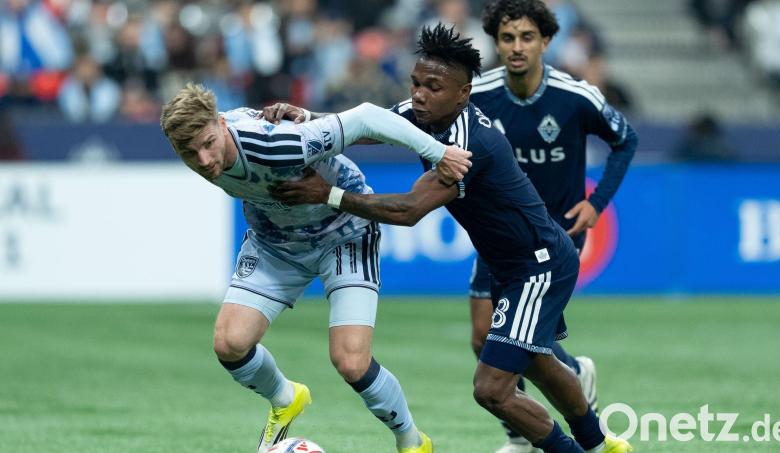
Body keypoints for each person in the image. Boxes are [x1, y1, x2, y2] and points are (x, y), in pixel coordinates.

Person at [269, 24, 633, 453]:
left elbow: (407, 210)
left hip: (539, 264)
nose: (420, 94)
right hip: (512, 263)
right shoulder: (428, 113)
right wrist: (310, 120)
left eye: (433, 87)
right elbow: (374, 125)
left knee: (491, 389)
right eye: (416, 83)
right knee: (535, 359)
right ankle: (601, 445)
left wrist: (327, 194)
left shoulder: (466, 146)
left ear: (463, 94)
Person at [159, 84, 471, 453]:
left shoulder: (276, 143)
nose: (205, 160)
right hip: (276, 242)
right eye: (189, 153)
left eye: (209, 143)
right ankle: (286, 397)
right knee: (230, 343)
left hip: (344, 232)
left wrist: (439, 153)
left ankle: (412, 442)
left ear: (220, 122)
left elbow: (368, 117)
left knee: (351, 362)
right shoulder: (208, 146)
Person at [470, 2, 639, 451]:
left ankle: (551, 428)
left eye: (527, 37)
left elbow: (626, 139)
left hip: (554, 237)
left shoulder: (574, 95)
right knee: (484, 337)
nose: (517, 47)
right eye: (508, 38)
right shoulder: (478, 93)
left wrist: (596, 203)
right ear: (496, 42)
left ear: (546, 41)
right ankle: (543, 408)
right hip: (499, 235)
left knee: (521, 340)